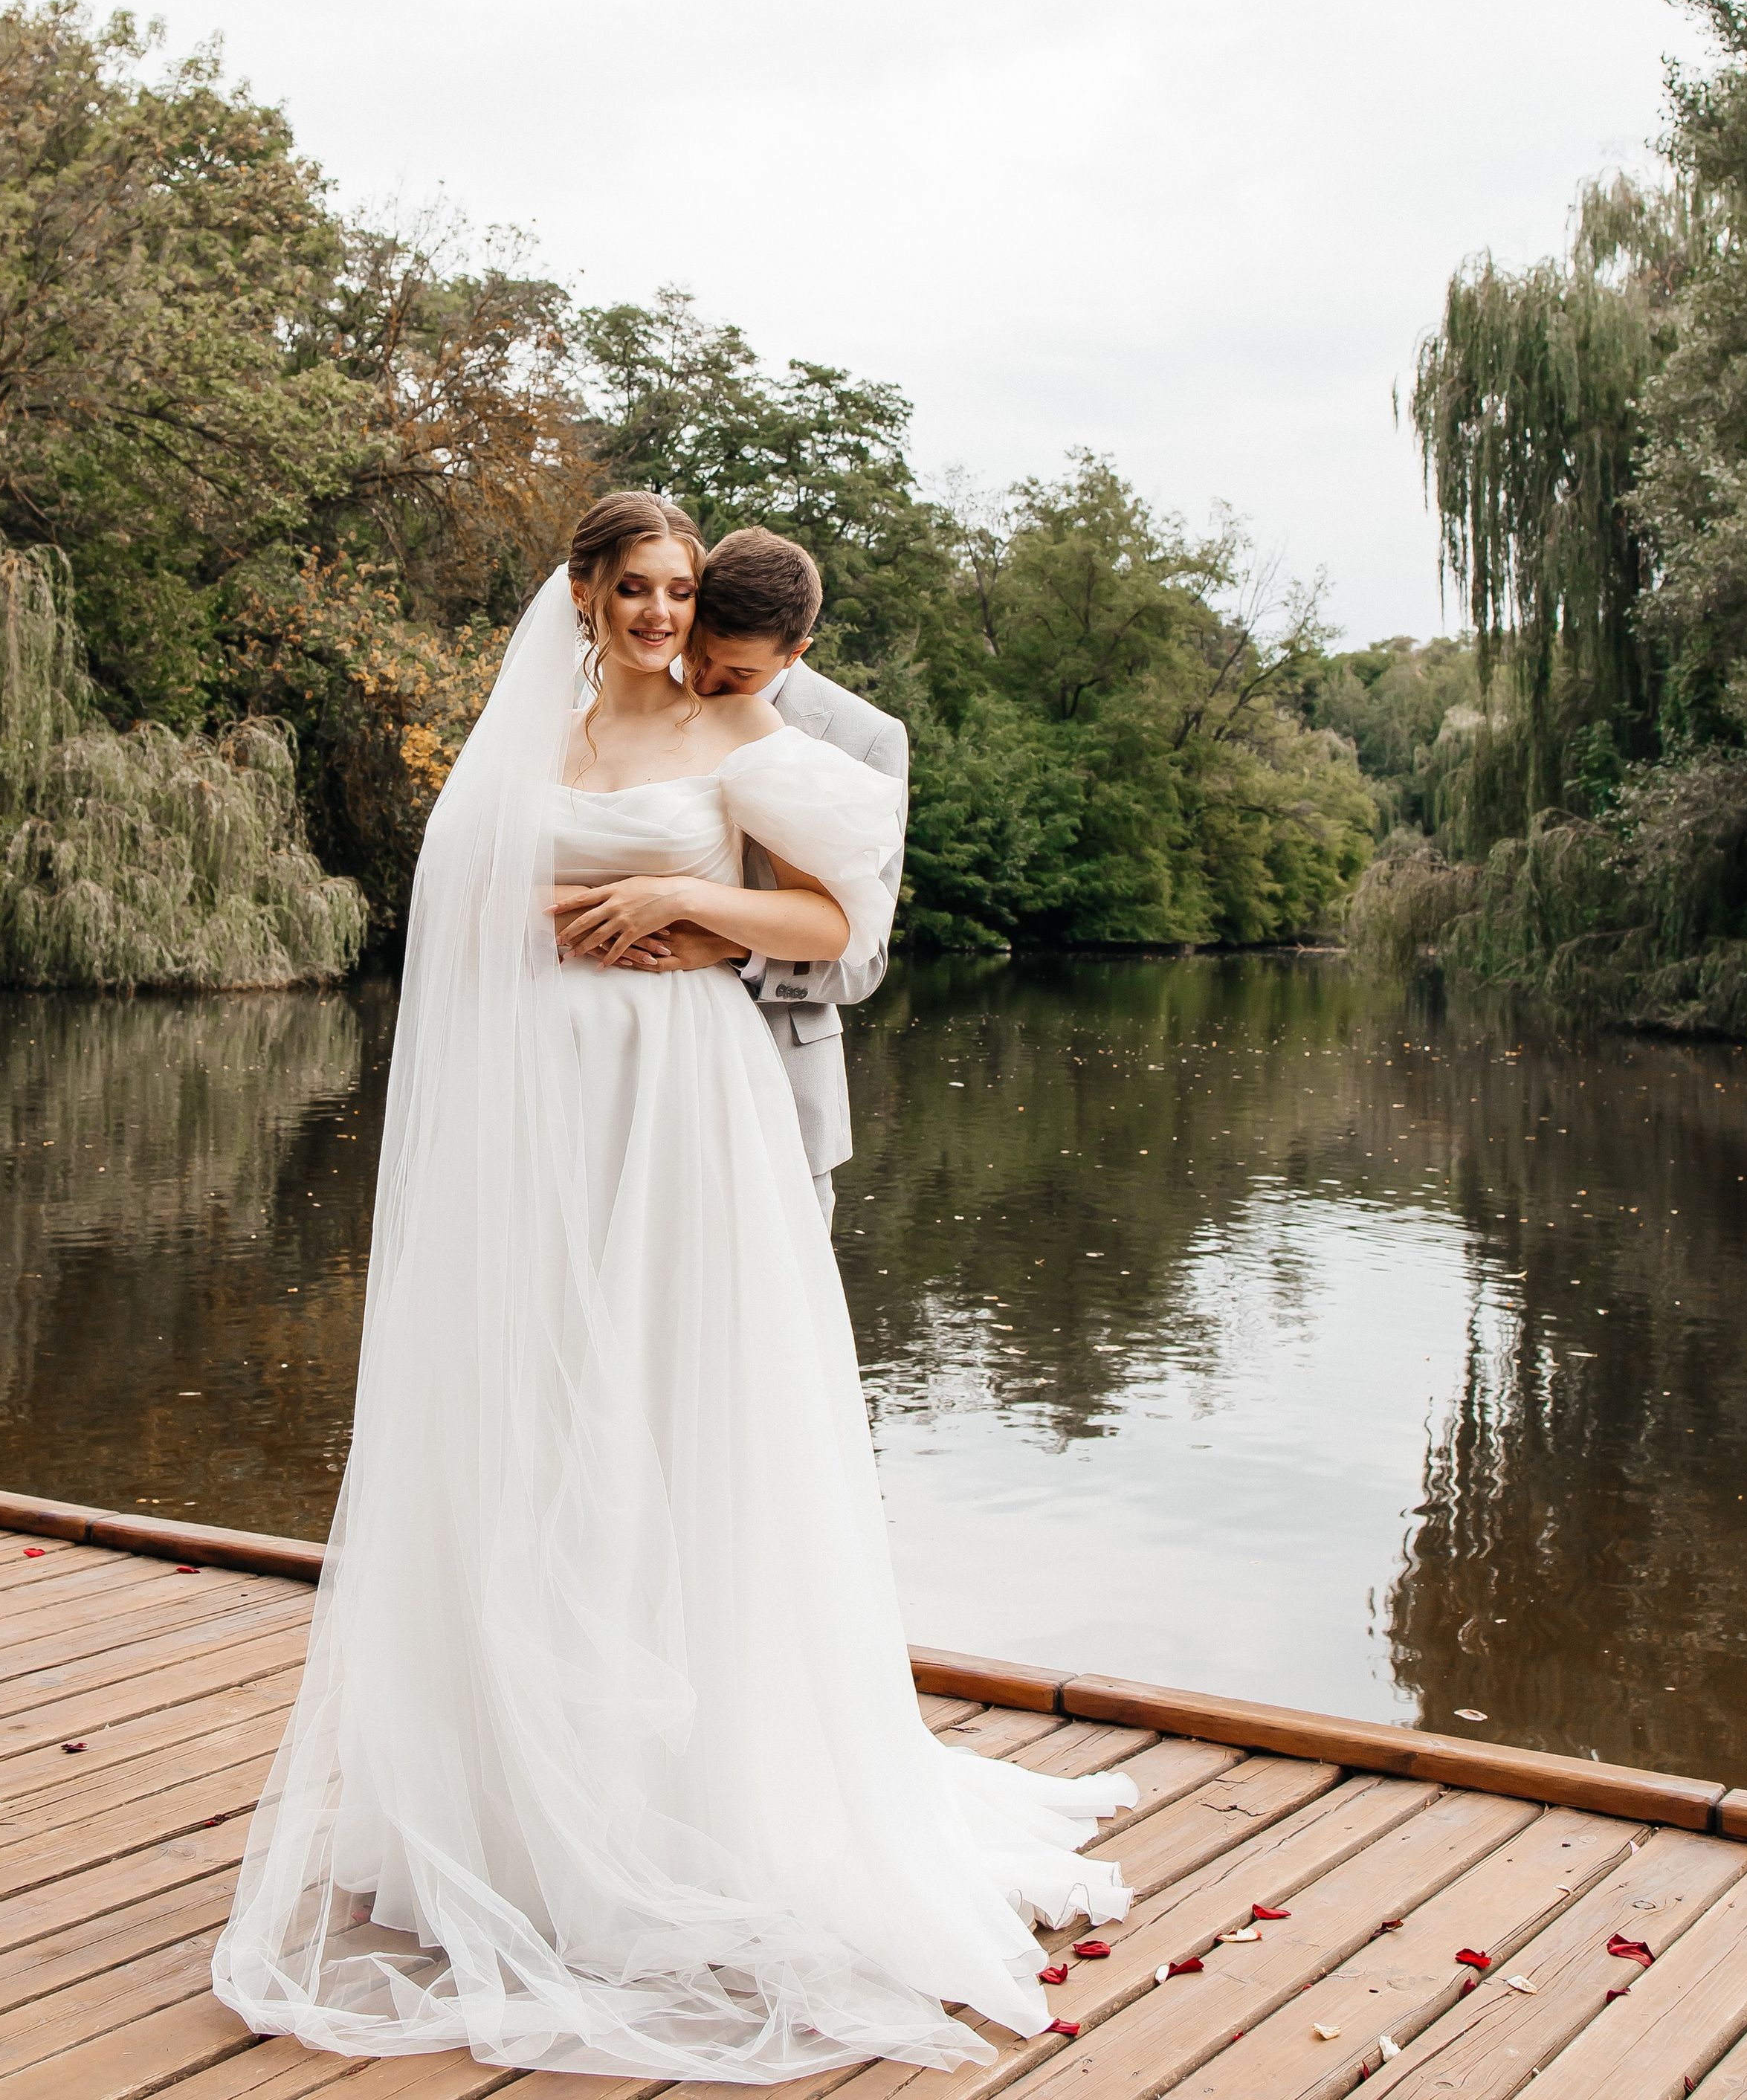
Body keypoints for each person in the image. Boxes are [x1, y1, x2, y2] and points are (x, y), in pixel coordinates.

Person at [213, 492, 1133, 2081]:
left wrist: (686, 905)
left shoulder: (747, 738)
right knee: (542, 1427)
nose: (657, 613)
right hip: (543, 1121)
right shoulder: (523, 744)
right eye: (632, 587)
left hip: (684, 1110)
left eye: (679, 587)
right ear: (580, 594)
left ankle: (701, 1791)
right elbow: (457, 925)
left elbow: (833, 926)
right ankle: (520, 1803)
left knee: (680, 1414)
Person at [616, 525, 908, 1230]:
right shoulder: (639, 694)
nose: (709, 684)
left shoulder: (864, 737)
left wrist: (733, 946)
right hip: (631, 1072)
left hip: (782, 1081)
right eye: (701, 657)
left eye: (739, 676)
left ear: (797, 651)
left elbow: (864, 962)